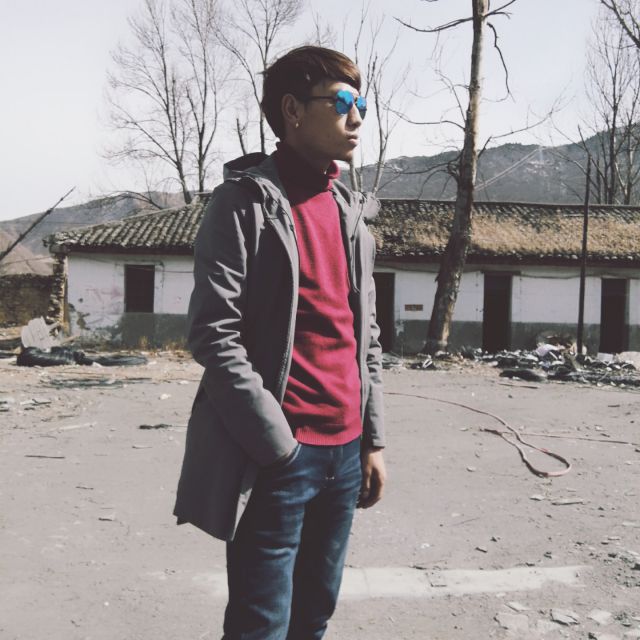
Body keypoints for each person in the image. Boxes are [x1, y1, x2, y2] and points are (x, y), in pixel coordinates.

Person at [173, 45, 386, 640]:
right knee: (260, 625)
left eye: (361, 103)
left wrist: (372, 439)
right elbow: (214, 334)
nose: (357, 117)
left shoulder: (349, 212)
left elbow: (364, 335)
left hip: (345, 454)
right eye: (341, 102)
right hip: (280, 457)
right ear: (292, 110)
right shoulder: (244, 205)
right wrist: (277, 446)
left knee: (313, 618)